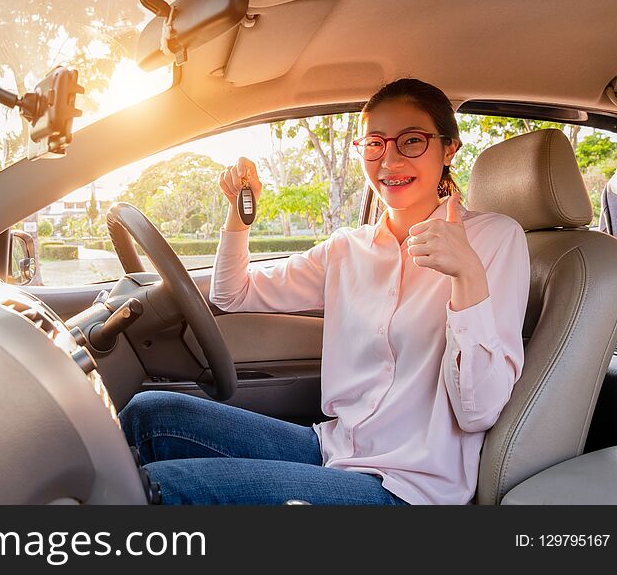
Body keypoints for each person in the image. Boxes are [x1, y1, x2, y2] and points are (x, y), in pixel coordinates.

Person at [119, 78, 530, 505]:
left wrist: (467, 275)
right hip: (333, 448)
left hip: (409, 488)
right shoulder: (347, 248)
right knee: (149, 414)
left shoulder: (494, 240)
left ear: (448, 149)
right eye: (374, 143)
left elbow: (479, 410)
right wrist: (238, 217)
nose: (389, 160)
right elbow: (231, 294)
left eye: (411, 141)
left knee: (158, 489)